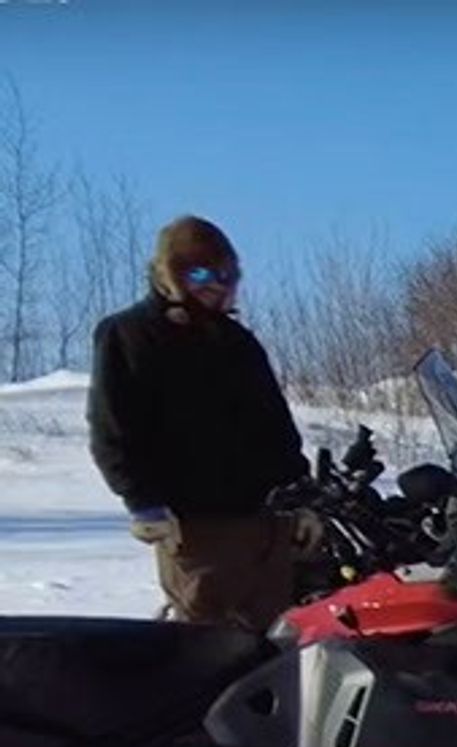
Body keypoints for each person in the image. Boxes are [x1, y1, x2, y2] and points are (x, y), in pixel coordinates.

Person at [84, 215, 307, 631]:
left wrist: (301, 497)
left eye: (227, 274)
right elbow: (112, 430)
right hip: (196, 527)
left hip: (265, 526)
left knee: (277, 645)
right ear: (172, 275)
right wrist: (141, 500)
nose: (216, 284)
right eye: (200, 272)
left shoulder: (238, 343)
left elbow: (277, 430)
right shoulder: (129, 335)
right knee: (205, 645)